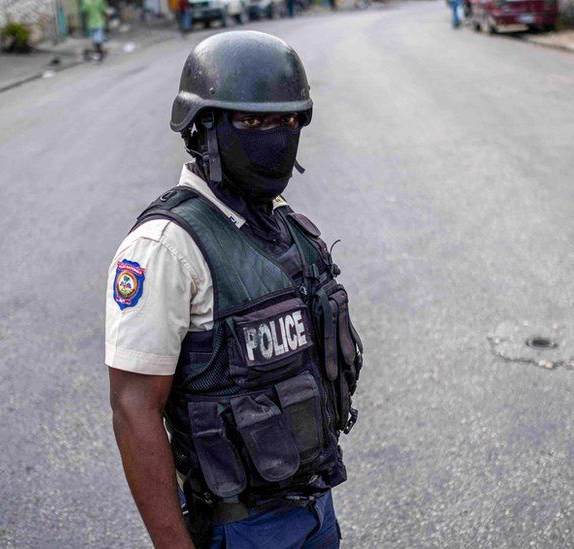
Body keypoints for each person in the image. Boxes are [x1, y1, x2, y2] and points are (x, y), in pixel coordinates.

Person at [106, 31, 365, 549]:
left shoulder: (284, 225)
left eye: (288, 120)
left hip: (316, 505)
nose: (276, 135)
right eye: (252, 121)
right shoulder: (165, 248)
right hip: (238, 526)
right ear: (203, 128)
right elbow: (134, 410)